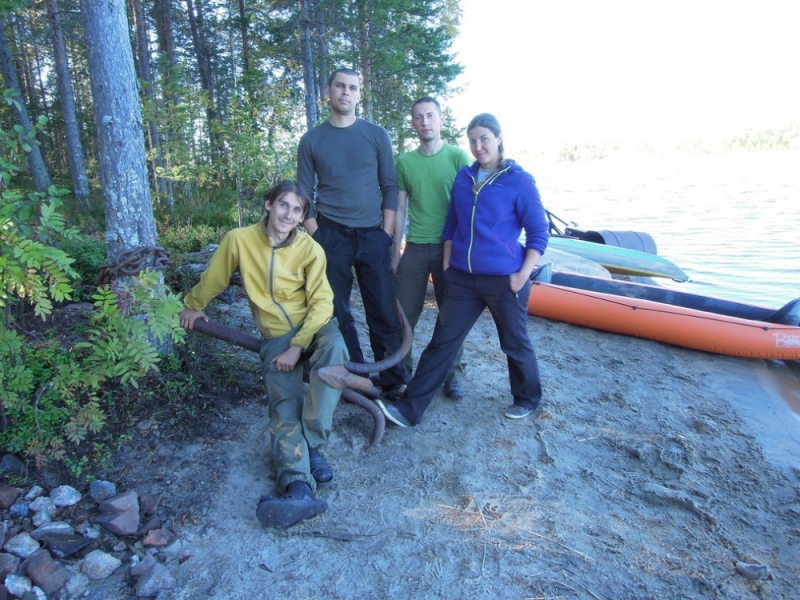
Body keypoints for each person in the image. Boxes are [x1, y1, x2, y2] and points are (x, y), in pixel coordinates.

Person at [180, 181, 348, 529]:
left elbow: (322, 302)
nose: (289, 214)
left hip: (314, 328)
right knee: (283, 403)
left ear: (303, 217)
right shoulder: (239, 240)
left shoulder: (310, 249)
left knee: (334, 350)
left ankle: (312, 442)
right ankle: (298, 486)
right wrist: (192, 305)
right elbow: (215, 278)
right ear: (269, 204)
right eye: (283, 205)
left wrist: (298, 345)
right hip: (274, 335)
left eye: (297, 210)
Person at [376, 113, 550, 426]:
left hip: (504, 280)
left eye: (484, 138)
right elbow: (451, 222)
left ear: (498, 138)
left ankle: (526, 398)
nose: (478, 146)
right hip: (463, 279)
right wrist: (446, 261)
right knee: (442, 342)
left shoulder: (518, 180)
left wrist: (523, 274)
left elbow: (539, 230)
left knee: (514, 341)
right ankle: (409, 409)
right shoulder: (465, 176)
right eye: (472, 140)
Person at [297, 67, 406, 398]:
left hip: (373, 234)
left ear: (360, 94)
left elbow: (389, 185)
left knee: (383, 308)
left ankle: (393, 378)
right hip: (331, 235)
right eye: (340, 86)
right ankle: (356, 375)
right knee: (337, 309)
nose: (346, 92)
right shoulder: (312, 140)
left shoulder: (376, 135)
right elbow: (303, 193)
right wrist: (318, 235)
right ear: (328, 91)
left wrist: (387, 233)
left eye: (352, 88)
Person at [392, 96, 471, 399]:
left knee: (452, 315)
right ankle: (402, 372)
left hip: (449, 248)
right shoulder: (405, 162)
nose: (425, 122)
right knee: (403, 312)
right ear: (413, 123)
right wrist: (395, 252)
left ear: (441, 120)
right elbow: (400, 209)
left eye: (430, 116)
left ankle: (452, 375)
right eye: (418, 117)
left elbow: (470, 205)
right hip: (415, 248)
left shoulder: (457, 158)